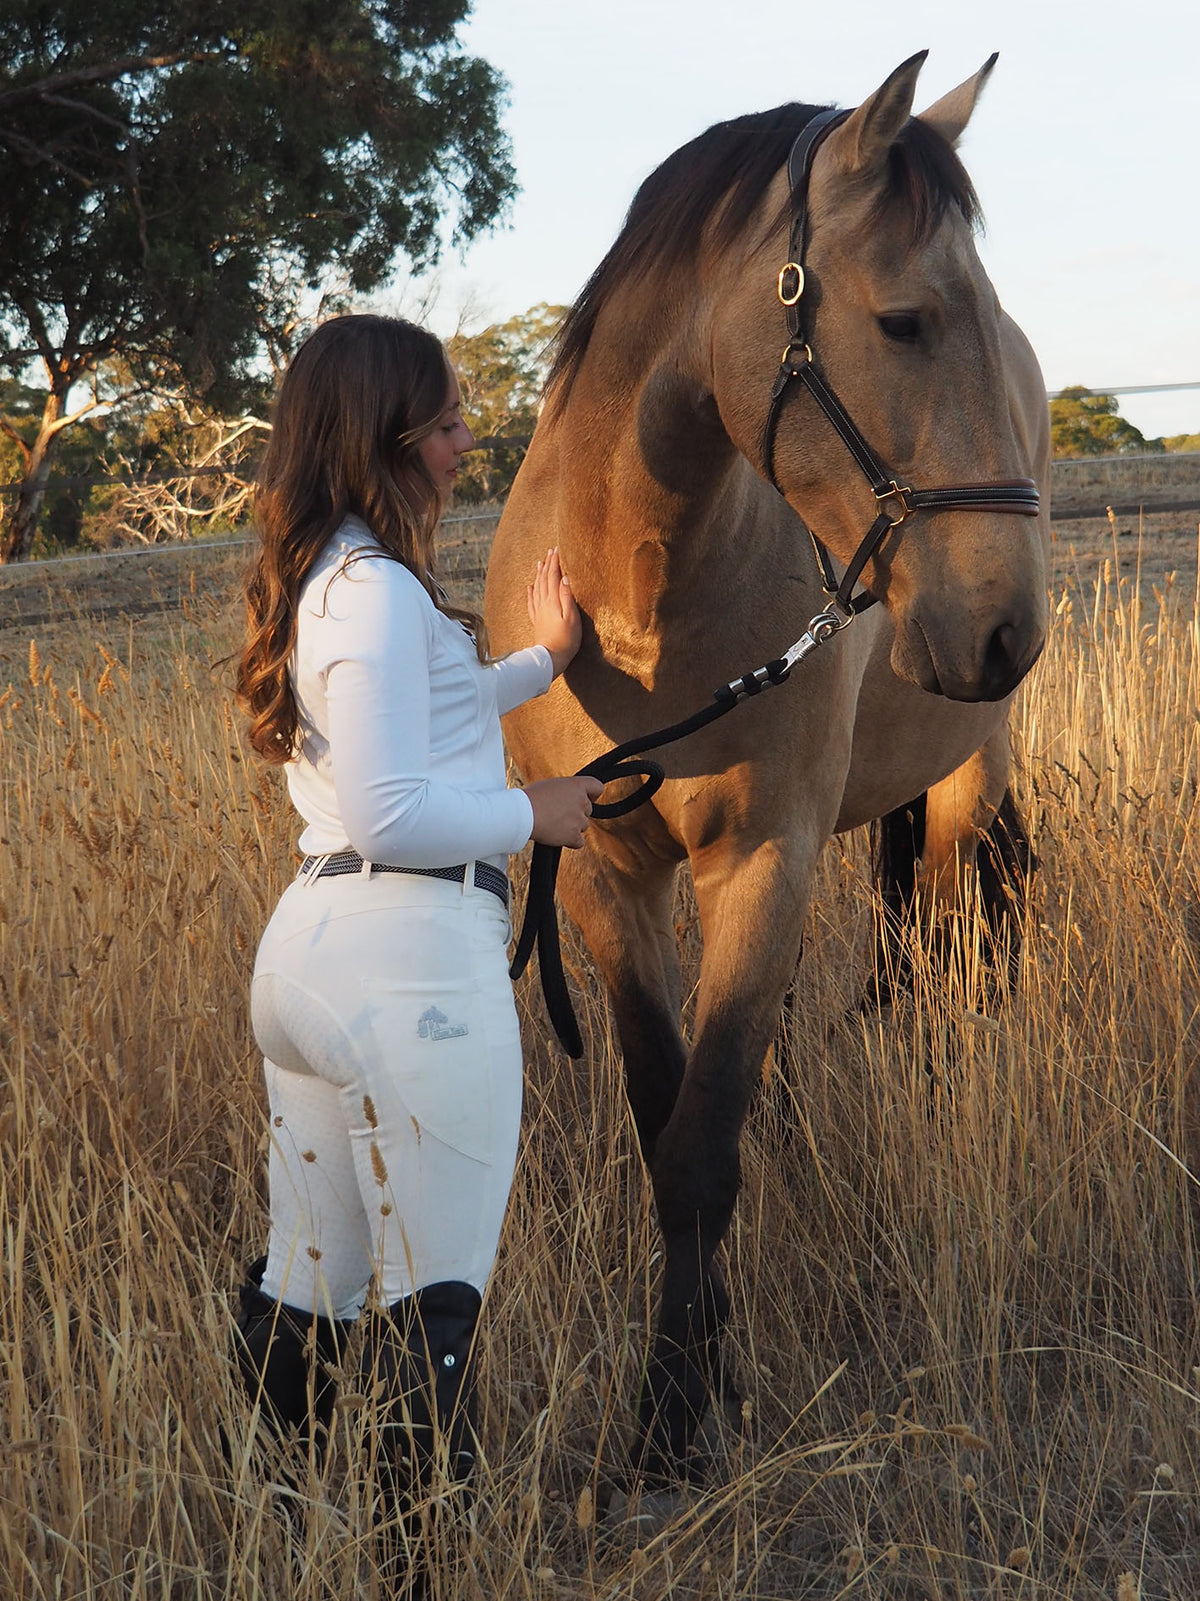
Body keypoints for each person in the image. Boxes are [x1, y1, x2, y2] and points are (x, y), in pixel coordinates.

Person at [232, 313, 601, 1576]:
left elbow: (420, 712)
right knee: (430, 1310)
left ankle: (271, 1544)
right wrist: (531, 812)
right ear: (379, 438)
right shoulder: (378, 594)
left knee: (311, 1288)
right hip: (410, 966)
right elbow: (391, 806)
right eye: (443, 421)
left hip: (315, 958)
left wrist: (541, 664)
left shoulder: (334, 578)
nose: (463, 440)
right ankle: (415, 1569)